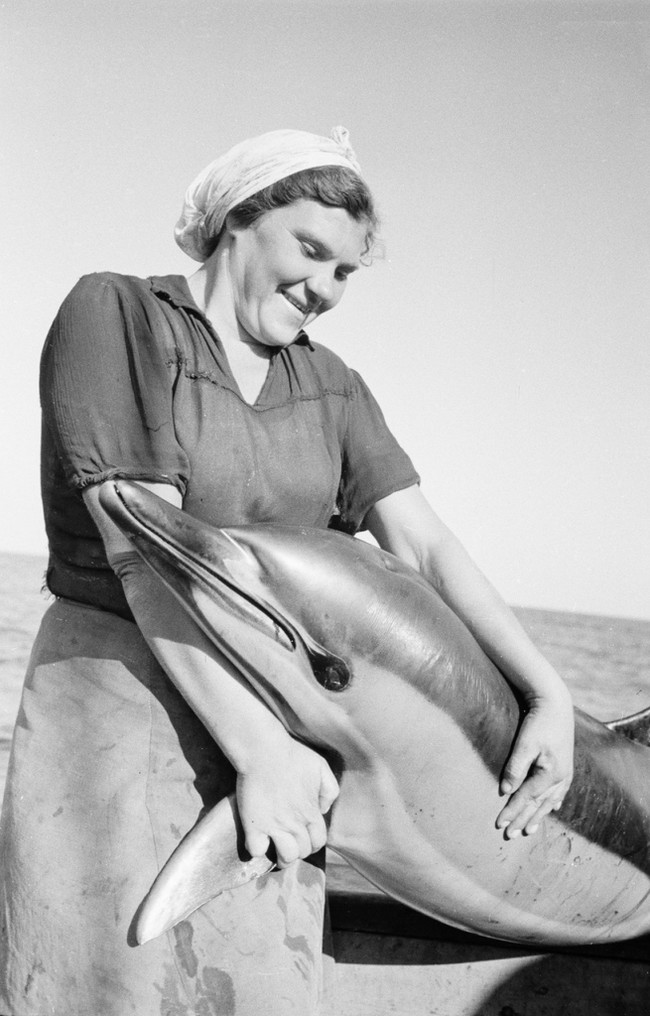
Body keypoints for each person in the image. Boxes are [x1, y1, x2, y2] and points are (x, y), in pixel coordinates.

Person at [0, 127, 574, 1016]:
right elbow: (146, 546)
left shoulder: (332, 385)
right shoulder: (117, 315)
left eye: (346, 271)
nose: (324, 287)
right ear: (239, 220)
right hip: (118, 704)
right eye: (310, 250)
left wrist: (548, 693)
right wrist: (258, 750)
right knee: (98, 983)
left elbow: (421, 546)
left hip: (286, 727)